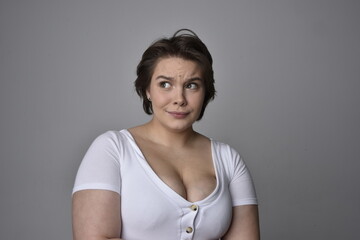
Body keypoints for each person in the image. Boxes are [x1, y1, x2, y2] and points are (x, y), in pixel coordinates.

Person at [72, 29, 260, 240]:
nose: (179, 98)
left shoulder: (229, 160)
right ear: (147, 90)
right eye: (165, 84)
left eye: (191, 85)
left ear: (205, 92)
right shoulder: (112, 149)